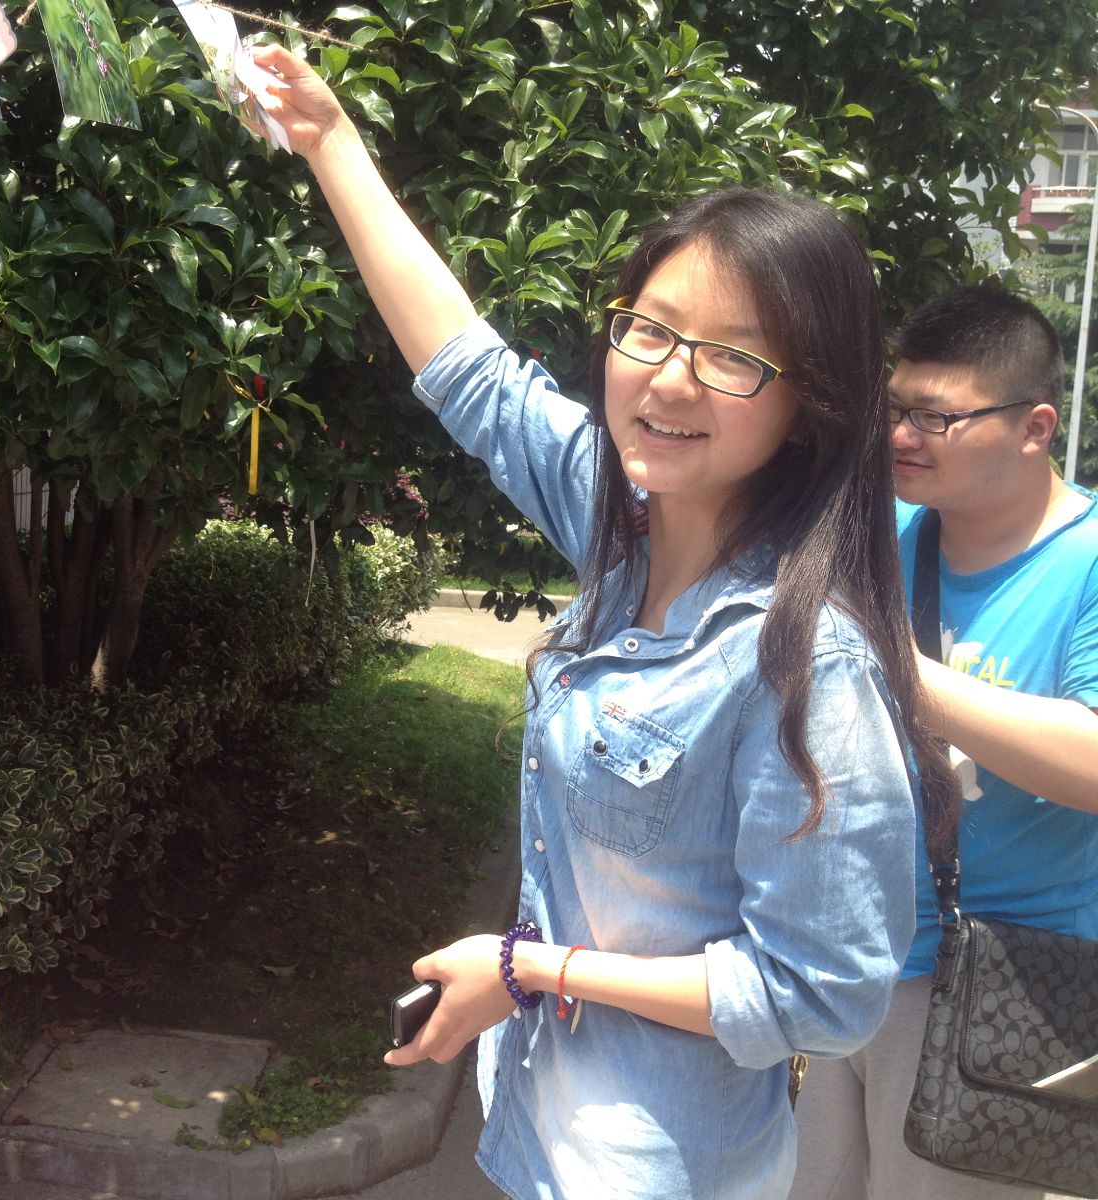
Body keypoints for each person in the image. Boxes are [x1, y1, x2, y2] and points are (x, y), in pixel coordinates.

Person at [250, 44, 953, 1200]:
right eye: (649, 329)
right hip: (538, 1134)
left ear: (807, 406)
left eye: (731, 358)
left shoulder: (803, 666)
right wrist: (329, 141)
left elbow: (822, 997)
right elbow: (469, 368)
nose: (669, 379)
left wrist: (536, 970)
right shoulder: (625, 530)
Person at [789, 284, 1098, 1200]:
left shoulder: (1084, 562)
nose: (900, 436)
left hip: (996, 986)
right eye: (893, 408)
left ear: (1035, 428)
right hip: (843, 955)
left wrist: (900, 669)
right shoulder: (879, 535)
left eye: (935, 416)